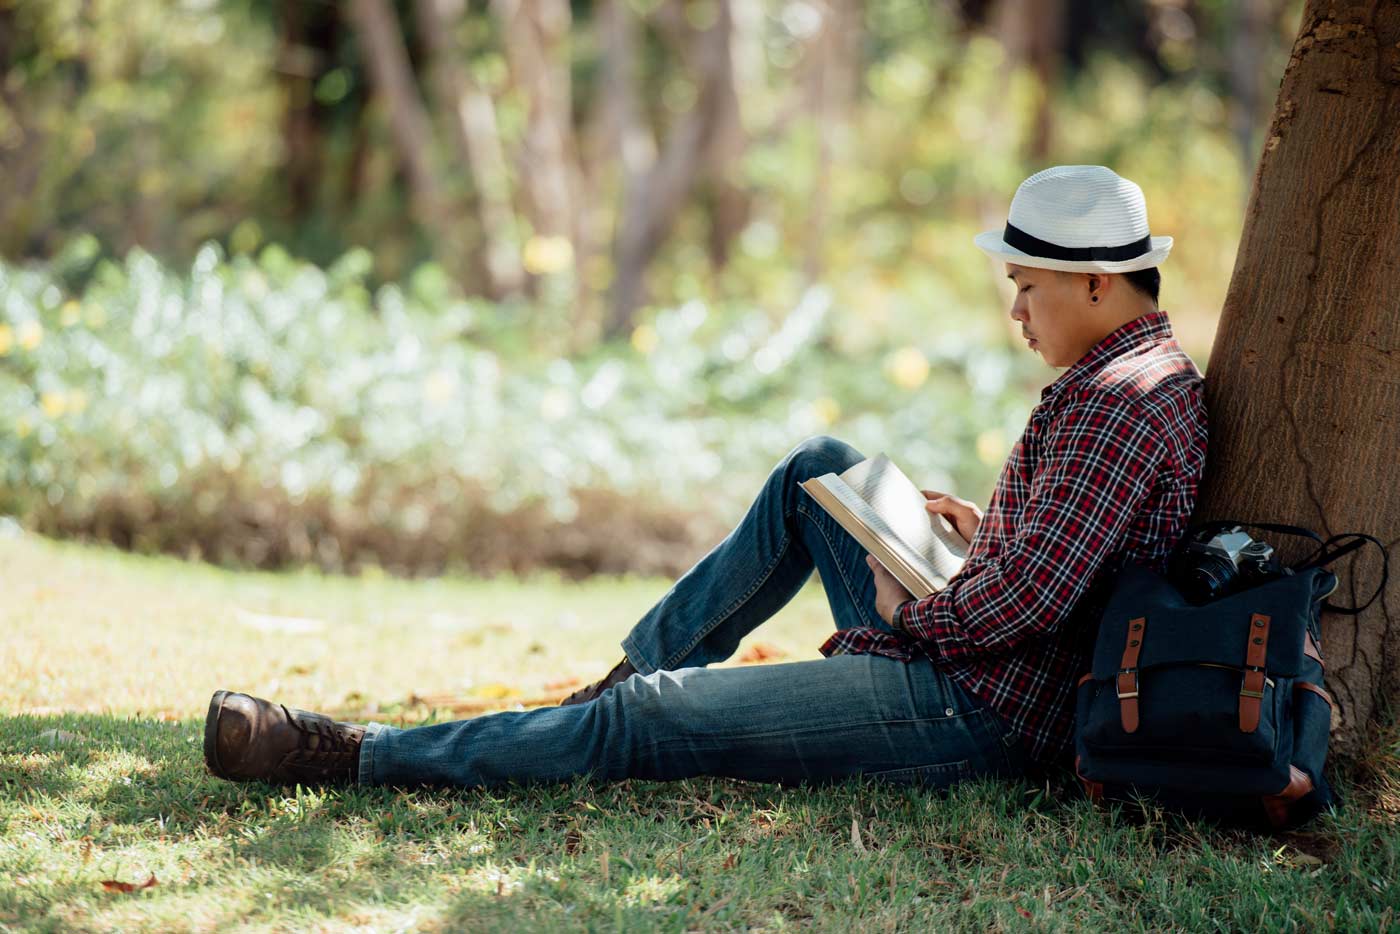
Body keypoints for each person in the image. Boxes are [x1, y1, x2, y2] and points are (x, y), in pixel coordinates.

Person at [202, 164, 1208, 793]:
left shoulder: (1115, 401)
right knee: (816, 473)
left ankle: (353, 752)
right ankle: (620, 680)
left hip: (979, 708)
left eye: (1025, 289)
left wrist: (906, 609)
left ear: (1092, 282)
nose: (1016, 314)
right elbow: (1066, 558)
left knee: (653, 726)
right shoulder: (1135, 375)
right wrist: (979, 530)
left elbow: (1027, 602)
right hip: (982, 653)